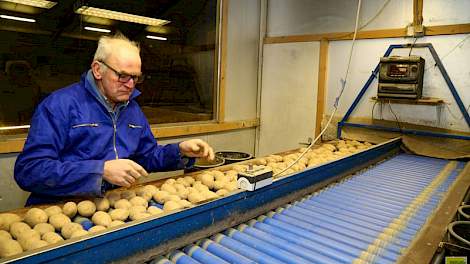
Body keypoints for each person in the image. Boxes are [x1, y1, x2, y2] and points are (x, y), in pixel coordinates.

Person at [14, 33, 214, 206]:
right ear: (98, 69)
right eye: (122, 76)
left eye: (135, 78)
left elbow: (146, 157)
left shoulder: (132, 109)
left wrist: (178, 151)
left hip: (112, 204)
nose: (130, 85)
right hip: (60, 207)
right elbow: (30, 170)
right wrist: (99, 171)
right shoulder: (60, 105)